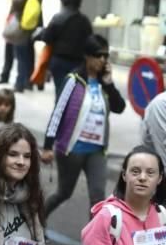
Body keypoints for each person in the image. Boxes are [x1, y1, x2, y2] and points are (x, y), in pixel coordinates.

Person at [41, 35, 126, 218]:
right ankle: (38, 220)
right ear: (87, 56)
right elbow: (58, 112)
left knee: (98, 200)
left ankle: (93, 244)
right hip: (73, 150)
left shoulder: (104, 84)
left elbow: (120, 107)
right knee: (63, 192)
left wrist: (109, 83)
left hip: (97, 151)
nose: (102, 60)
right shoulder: (73, 80)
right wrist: (48, 146)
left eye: (105, 56)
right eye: (98, 55)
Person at [0, 0, 46, 86]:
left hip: (29, 21)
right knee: (9, 46)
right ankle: (5, 74)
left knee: (26, 51)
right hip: (15, 18)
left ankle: (27, 80)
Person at [42, 0, 93, 100]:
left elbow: (46, 38)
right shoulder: (84, 21)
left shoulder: (58, 18)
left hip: (59, 61)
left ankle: (59, 115)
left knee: (60, 93)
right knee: (74, 96)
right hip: (78, 63)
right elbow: (90, 42)